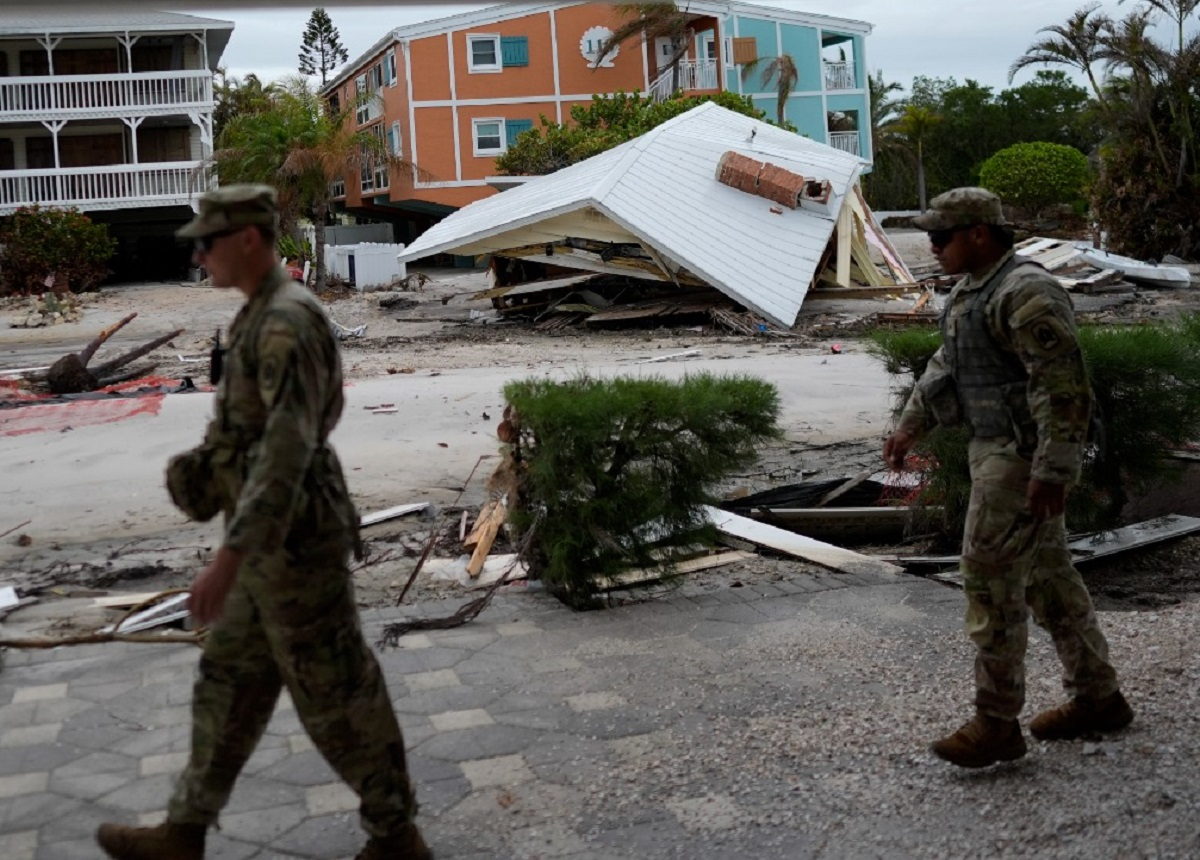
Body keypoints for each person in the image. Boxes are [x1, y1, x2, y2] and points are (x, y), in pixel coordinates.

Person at [96, 185, 431, 859]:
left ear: (248, 239)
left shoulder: (287, 320)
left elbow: (288, 444)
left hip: (295, 544)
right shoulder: (258, 314)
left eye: (208, 242)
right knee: (229, 677)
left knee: (335, 691)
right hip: (265, 547)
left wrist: (229, 558)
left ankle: (397, 837)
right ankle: (185, 830)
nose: (199, 256)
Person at [882, 187, 1133, 769]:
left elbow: (1063, 386)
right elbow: (948, 364)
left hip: (1019, 460)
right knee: (1049, 581)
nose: (932, 246)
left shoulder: (1027, 290)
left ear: (979, 234)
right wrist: (909, 426)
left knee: (988, 582)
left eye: (941, 236)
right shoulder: (973, 291)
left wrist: (1052, 470)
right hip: (993, 451)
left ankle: (996, 722)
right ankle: (1099, 696)